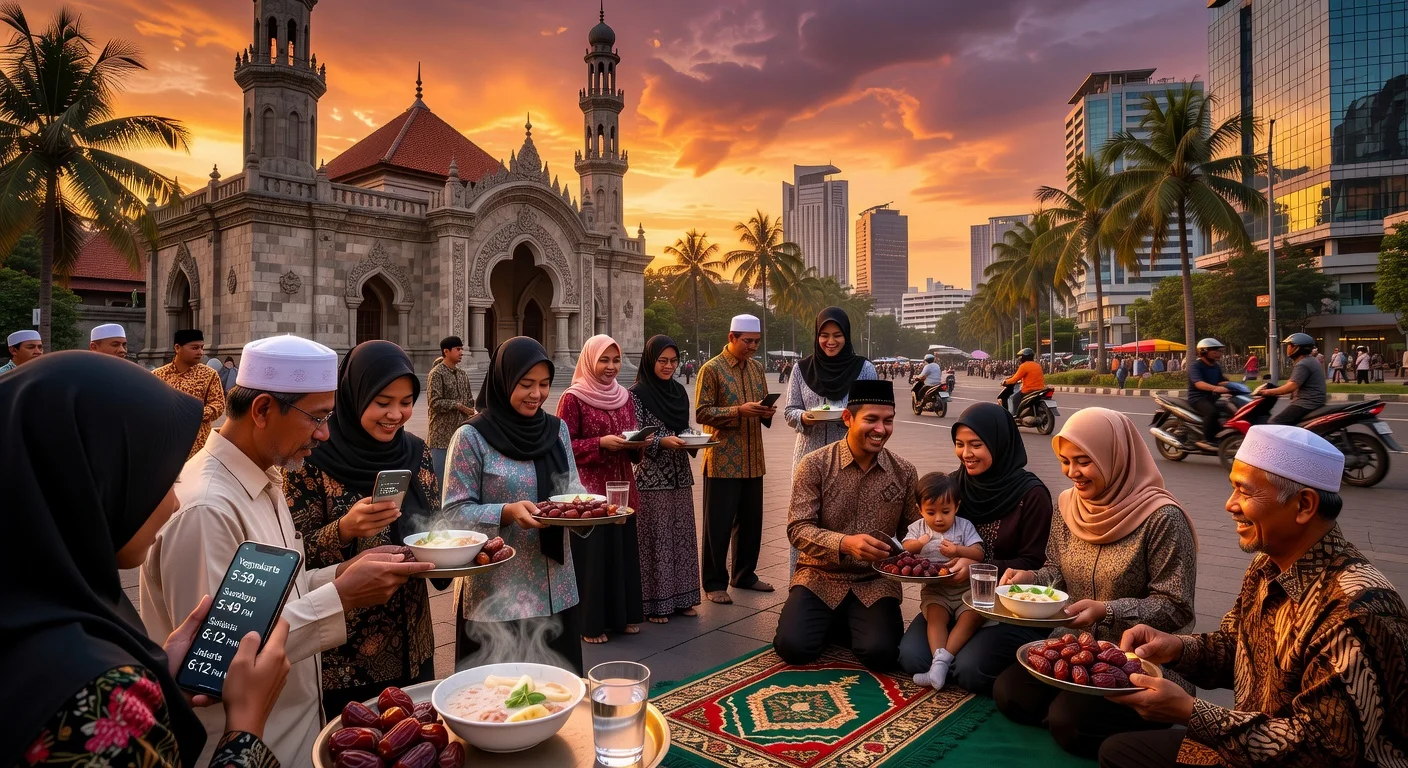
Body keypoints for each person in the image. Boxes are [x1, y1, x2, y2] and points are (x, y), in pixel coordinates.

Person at [140, 335, 433, 766]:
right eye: (316, 417)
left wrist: (341, 574)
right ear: (262, 410)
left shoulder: (266, 477)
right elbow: (221, 657)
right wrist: (342, 595)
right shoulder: (207, 508)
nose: (325, 433)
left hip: (293, 732)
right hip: (242, 747)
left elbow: (273, 593)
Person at [2, 353, 290, 768]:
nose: (174, 502)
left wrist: (155, 674)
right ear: (93, 485)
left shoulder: (47, 615)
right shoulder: (100, 698)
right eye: (158, 479)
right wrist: (245, 727)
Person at [1099, 425, 1408, 768]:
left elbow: (1324, 751)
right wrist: (1174, 648)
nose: (1230, 505)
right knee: (1118, 752)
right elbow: (1236, 646)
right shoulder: (1267, 565)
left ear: (1304, 505)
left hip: (1288, 757)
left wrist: (1190, 711)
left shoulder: (1357, 610)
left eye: (1244, 492)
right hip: (1248, 744)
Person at [994, 407, 1197, 758]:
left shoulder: (1162, 518)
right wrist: (1028, 578)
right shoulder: (1068, 506)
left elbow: (1175, 606)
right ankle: (1071, 705)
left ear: (1113, 456)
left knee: (1070, 725)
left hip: (1136, 658)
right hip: (1072, 648)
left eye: (1084, 461)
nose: (1073, 473)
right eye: (1065, 461)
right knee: (1009, 694)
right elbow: (1055, 570)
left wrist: (1108, 610)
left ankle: (1149, 716)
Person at [284, 341, 440, 717]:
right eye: (383, 402)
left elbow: (435, 528)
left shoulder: (416, 452)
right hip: (345, 655)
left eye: (406, 402)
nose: (396, 414)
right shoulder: (312, 459)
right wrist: (344, 529)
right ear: (354, 396)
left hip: (414, 640)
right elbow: (290, 555)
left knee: (415, 744)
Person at [443, 337, 590, 675]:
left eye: (544, 384)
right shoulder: (471, 437)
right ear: (504, 380)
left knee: (557, 693)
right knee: (495, 702)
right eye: (526, 384)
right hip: (495, 595)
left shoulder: (557, 430)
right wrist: (505, 512)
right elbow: (452, 514)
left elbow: (573, 492)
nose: (536, 394)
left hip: (556, 587)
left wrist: (591, 510)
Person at [898, 402, 1053, 693]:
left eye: (976, 445)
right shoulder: (954, 487)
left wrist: (980, 567)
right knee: (912, 658)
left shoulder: (1030, 495)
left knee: (970, 671)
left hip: (1005, 605)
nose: (966, 454)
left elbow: (1036, 564)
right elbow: (923, 529)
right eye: (959, 444)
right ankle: (945, 660)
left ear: (998, 443)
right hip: (949, 596)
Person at [774, 380, 917, 670]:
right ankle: (837, 619)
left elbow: (913, 532)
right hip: (819, 576)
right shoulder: (815, 465)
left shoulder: (904, 471)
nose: (881, 429)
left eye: (888, 421)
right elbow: (798, 528)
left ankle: (846, 621)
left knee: (881, 654)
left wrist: (931, 546)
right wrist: (844, 543)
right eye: (871, 420)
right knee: (793, 647)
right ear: (848, 419)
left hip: (875, 582)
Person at [558, 334, 645, 644]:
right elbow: (563, 445)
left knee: (620, 552)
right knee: (594, 557)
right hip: (590, 491)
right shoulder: (574, 397)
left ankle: (621, 618)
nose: (611, 367)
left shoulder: (623, 396)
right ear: (589, 360)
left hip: (622, 485)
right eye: (604, 360)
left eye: (616, 360)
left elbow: (631, 437)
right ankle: (590, 623)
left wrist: (636, 444)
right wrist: (600, 444)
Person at [785, 308, 876, 572]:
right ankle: (801, 582)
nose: (830, 341)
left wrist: (850, 419)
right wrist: (806, 418)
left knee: (847, 521)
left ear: (846, 336)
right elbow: (790, 411)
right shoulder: (801, 369)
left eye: (837, 335)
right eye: (824, 335)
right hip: (808, 456)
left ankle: (850, 581)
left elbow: (873, 413)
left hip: (852, 458)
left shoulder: (863, 368)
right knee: (804, 522)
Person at [696, 314, 776, 604]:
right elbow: (702, 413)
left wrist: (765, 412)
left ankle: (744, 574)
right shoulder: (712, 369)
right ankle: (714, 582)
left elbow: (760, 406)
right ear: (732, 338)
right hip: (723, 459)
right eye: (748, 341)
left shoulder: (756, 368)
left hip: (754, 458)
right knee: (718, 524)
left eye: (756, 341)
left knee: (751, 522)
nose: (753, 347)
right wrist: (737, 411)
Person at [629, 336, 702, 623]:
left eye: (673, 361)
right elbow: (633, 435)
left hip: (680, 475)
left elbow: (683, 428)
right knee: (655, 539)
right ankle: (654, 603)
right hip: (650, 477)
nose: (669, 366)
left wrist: (693, 440)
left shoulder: (678, 391)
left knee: (681, 536)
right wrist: (661, 442)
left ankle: (683, 598)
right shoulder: (636, 394)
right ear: (650, 360)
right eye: (663, 360)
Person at [904, 472, 985, 690]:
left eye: (946, 512)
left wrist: (958, 550)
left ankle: (940, 664)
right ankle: (939, 660)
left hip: (964, 590)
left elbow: (979, 553)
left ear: (957, 507)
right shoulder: (918, 528)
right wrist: (918, 544)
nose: (939, 518)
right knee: (935, 618)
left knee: (972, 616)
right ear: (919, 509)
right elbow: (905, 549)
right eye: (931, 512)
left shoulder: (964, 527)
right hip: (936, 590)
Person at [154, 329, 226, 459]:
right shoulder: (158, 375)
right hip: (166, 443)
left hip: (198, 445)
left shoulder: (209, 375)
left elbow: (218, 404)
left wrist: (195, 414)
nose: (200, 352)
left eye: (202, 347)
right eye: (195, 348)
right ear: (177, 348)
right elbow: (149, 405)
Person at [427, 335, 475, 484]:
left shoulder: (462, 374)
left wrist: (469, 409)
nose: (461, 352)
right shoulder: (436, 373)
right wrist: (457, 405)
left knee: (459, 479)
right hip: (441, 436)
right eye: (458, 349)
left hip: (460, 435)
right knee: (440, 479)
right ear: (446, 351)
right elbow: (434, 402)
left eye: (461, 349)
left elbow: (469, 400)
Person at [1258, 332, 1325, 426]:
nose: (1287, 348)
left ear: (1297, 348)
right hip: (1313, 402)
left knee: (1274, 424)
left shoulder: (1303, 364)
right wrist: (1275, 389)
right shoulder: (1310, 360)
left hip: (1306, 403)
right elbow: (1292, 382)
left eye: (1289, 346)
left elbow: (1291, 387)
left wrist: (1267, 392)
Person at [1187, 338, 1231, 452]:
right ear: (1204, 351)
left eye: (1219, 351)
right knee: (1212, 413)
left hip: (1213, 397)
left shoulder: (1216, 366)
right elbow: (1199, 383)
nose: (1219, 354)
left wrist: (1235, 386)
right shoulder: (1195, 366)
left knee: (1229, 410)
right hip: (1198, 398)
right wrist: (1216, 388)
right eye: (1215, 351)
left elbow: (1221, 381)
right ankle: (1207, 440)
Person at [1005, 348, 1046, 415]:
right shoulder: (1038, 365)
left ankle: (1013, 416)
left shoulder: (1024, 366)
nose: (1020, 358)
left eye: (1021, 357)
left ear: (1024, 357)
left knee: (1013, 398)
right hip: (1040, 389)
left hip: (1028, 390)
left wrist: (1005, 382)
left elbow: (1014, 379)